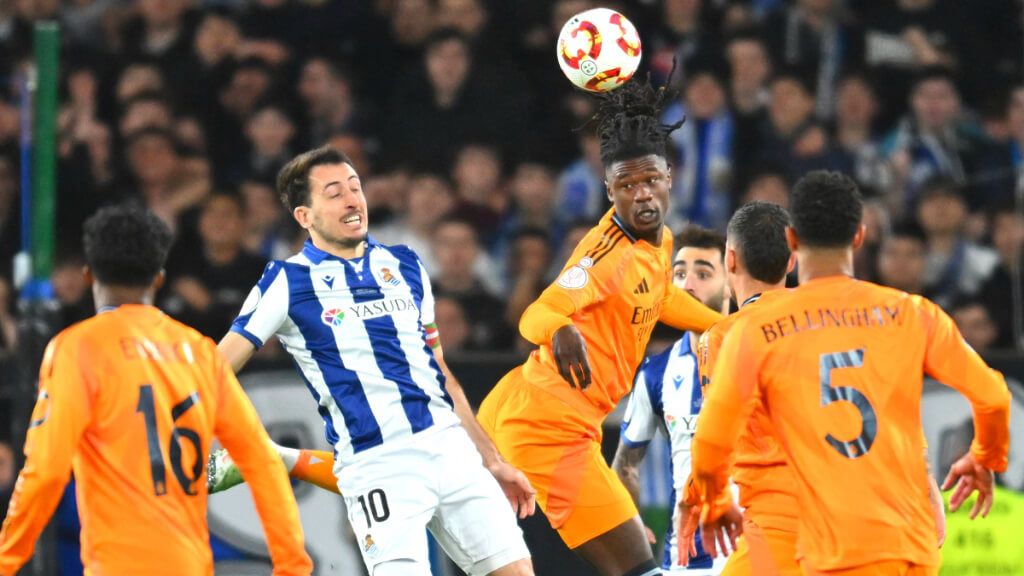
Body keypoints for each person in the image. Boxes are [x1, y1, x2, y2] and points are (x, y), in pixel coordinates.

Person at [217, 146, 534, 576]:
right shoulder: (287, 281)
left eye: (355, 187)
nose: (352, 199)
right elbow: (216, 369)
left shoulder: (404, 264)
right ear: (305, 216)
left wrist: (491, 458)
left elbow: (439, 371)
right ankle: (272, 455)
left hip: (452, 450)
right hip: (378, 466)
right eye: (334, 192)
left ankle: (280, 456)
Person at [691, 171, 1011, 575]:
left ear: (792, 241)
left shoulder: (756, 331)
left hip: (818, 540)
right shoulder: (912, 313)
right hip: (904, 540)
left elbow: (711, 441)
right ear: (859, 237)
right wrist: (984, 456)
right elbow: (994, 397)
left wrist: (714, 500)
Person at [476, 77, 723, 576]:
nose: (643, 195)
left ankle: (288, 460)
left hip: (536, 408)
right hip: (548, 427)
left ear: (669, 176)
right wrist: (560, 329)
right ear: (609, 191)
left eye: (650, 179)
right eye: (627, 186)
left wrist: (729, 325)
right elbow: (537, 314)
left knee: (424, 483)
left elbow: (660, 297)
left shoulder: (660, 241)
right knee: (640, 569)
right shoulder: (603, 254)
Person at [0, 205, 312, 575]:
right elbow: (262, 461)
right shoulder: (199, 352)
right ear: (159, 279)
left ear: (89, 275)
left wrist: (6, 560)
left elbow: (46, 471)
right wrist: (292, 564)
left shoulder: (77, 348)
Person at [612, 225, 729, 575]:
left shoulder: (762, 357)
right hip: (687, 563)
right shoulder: (657, 373)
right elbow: (626, 463)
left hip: (759, 557)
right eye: (678, 273)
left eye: (703, 273)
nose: (687, 284)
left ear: (731, 279)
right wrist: (631, 528)